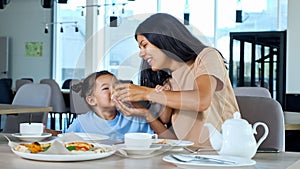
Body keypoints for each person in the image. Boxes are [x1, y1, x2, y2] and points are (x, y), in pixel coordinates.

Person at [113, 13, 240, 147]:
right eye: (139, 48)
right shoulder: (168, 85)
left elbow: (201, 101)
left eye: (144, 45)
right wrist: (146, 114)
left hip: (223, 156)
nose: (141, 53)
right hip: (188, 158)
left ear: (163, 39)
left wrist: (146, 93)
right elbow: (175, 140)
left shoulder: (207, 57)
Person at [46, 70, 153, 140]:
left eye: (116, 86)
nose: (114, 90)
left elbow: (158, 139)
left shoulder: (134, 118)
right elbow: (65, 138)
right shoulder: (82, 122)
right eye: (106, 88)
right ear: (92, 100)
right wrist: (49, 132)